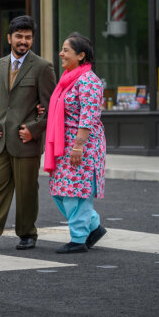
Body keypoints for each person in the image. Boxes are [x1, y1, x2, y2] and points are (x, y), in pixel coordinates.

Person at [0, 15, 56, 252]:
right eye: (19, 36)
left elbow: (51, 108)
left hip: (25, 140)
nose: (23, 41)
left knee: (27, 190)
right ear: (9, 38)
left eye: (28, 37)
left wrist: (34, 129)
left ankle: (27, 234)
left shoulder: (42, 67)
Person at [44, 33, 107, 253]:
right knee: (60, 191)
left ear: (81, 55)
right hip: (64, 146)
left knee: (76, 193)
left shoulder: (89, 81)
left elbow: (88, 116)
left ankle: (79, 239)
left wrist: (78, 146)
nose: (61, 53)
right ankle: (94, 226)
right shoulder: (68, 79)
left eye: (66, 50)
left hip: (83, 146)